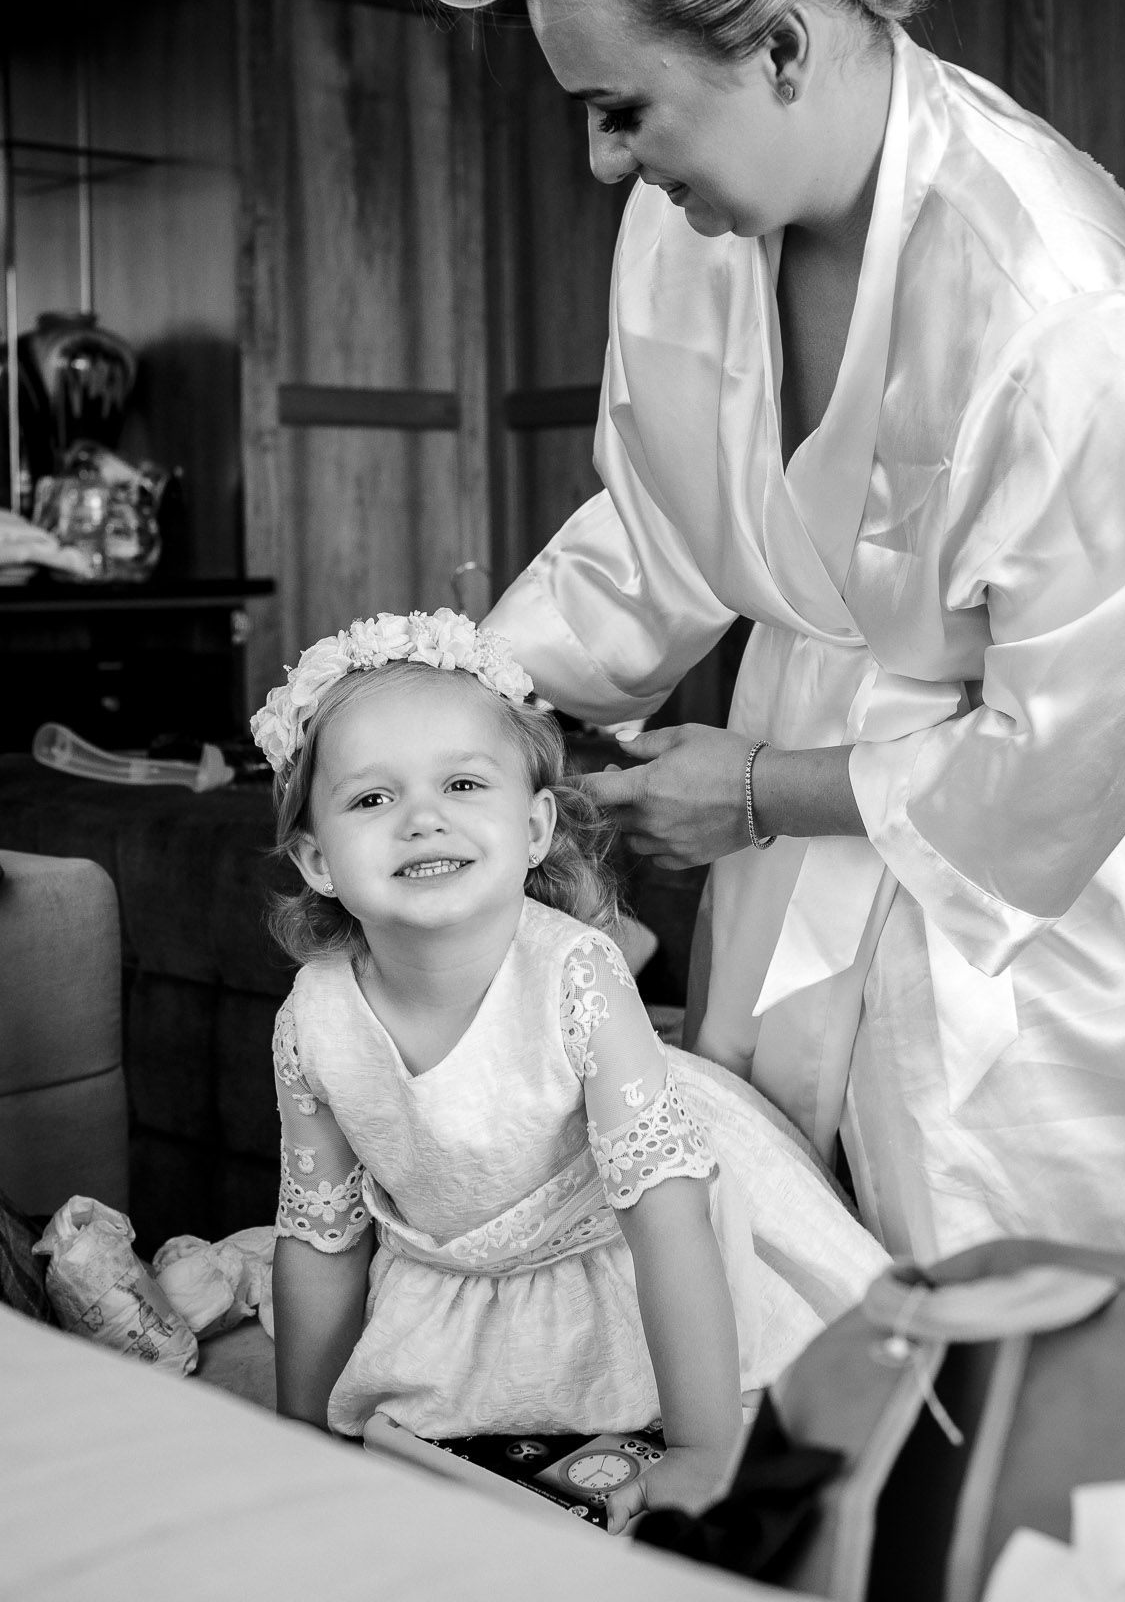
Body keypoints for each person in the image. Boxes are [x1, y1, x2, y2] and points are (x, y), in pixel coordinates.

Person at [401, 0, 1125, 1278]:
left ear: (784, 44)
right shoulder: (683, 224)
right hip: (796, 818)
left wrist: (749, 795)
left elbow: (1083, 738)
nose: (604, 164)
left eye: (620, 113)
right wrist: (444, 699)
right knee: (799, 1319)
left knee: (1041, 1400)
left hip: (1052, 923)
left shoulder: (1048, 298)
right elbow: (661, 532)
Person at [251, 608, 887, 1530]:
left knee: (774, 1409)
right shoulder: (313, 1019)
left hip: (622, 1246)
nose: (424, 818)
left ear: (537, 824)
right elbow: (319, 1236)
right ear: (314, 857)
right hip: (456, 1264)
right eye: (370, 800)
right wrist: (298, 1434)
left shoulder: (575, 978)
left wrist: (702, 1449)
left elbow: (668, 1221)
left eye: (464, 783)